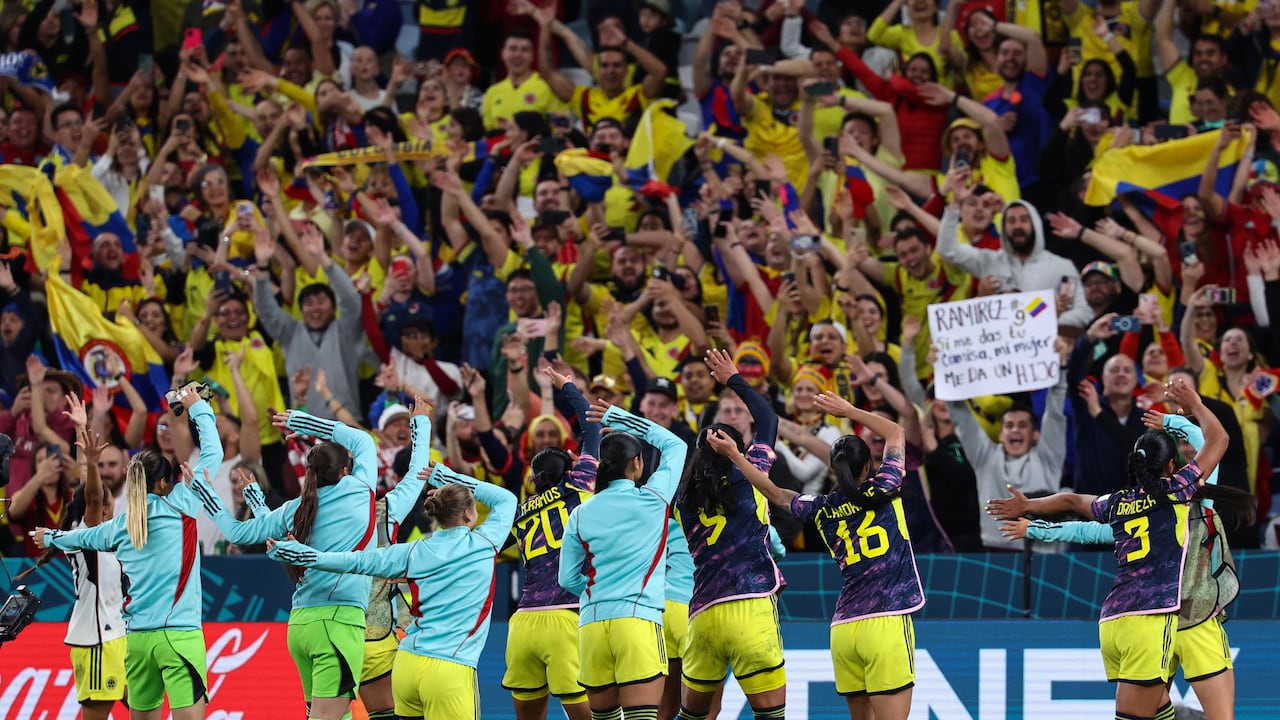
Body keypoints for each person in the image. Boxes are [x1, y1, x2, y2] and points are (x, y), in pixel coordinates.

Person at [986, 378, 1253, 720]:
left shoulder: (1123, 505)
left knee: (1152, 711)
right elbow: (1214, 439)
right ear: (1172, 466)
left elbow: (1079, 513)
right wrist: (1185, 412)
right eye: (1183, 453)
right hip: (1166, 616)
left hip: (1138, 616)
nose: (1192, 458)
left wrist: (1034, 520)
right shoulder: (1183, 490)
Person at [187, 401, 434, 720]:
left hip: (302, 625)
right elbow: (407, 469)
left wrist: (207, 493)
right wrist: (301, 422)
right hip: (342, 625)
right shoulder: (366, 498)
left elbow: (237, 532)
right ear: (346, 470)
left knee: (333, 714)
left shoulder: (297, 508)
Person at [717, 392, 922, 720]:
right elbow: (896, 432)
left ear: (833, 467)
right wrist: (851, 410)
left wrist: (736, 458)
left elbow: (774, 492)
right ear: (868, 465)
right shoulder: (886, 486)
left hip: (844, 628)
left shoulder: (822, 509)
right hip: (886, 619)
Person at [267, 458, 518, 720]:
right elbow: (506, 499)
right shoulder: (485, 543)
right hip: (449, 668)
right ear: (468, 514)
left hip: (407, 664)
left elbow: (356, 561)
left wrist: (307, 555)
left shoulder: (413, 552)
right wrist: (445, 475)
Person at [32, 385, 225, 720]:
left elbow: (81, 537)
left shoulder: (120, 525)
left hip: (136, 642)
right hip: (179, 638)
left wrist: (49, 537)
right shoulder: (182, 505)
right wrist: (198, 408)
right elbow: (213, 454)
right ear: (164, 484)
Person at [558, 398, 689, 720]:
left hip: (591, 625)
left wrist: (597, 593)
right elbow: (675, 445)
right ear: (637, 464)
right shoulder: (654, 499)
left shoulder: (580, 513)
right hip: (637, 621)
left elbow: (567, 579)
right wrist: (620, 417)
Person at [675, 349, 787, 720]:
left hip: (703, 615)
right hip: (750, 605)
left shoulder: (683, 498)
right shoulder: (751, 472)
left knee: (693, 717)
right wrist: (734, 379)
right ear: (737, 449)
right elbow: (769, 418)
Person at [502, 366, 599, 720]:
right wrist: (569, 387)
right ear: (569, 472)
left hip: (523, 622)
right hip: (566, 617)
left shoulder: (520, 512)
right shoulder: (578, 488)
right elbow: (592, 429)